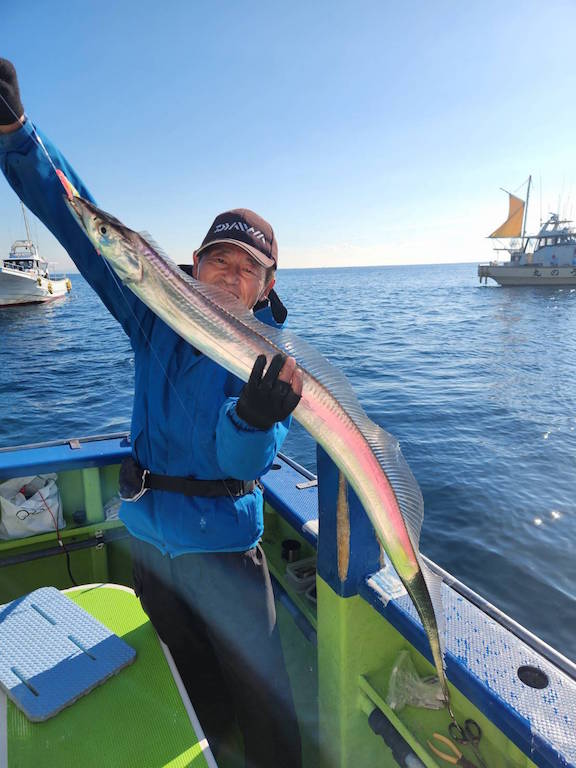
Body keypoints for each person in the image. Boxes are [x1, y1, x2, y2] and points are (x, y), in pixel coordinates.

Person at [0, 58, 303, 768]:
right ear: (192, 266)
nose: (229, 278)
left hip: (226, 554)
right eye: (217, 262)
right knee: (192, 684)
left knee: (265, 707)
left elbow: (240, 464)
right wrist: (18, 135)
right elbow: (85, 230)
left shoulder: (270, 361)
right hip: (146, 542)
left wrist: (256, 421)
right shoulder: (153, 320)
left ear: (265, 289)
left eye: (245, 270)